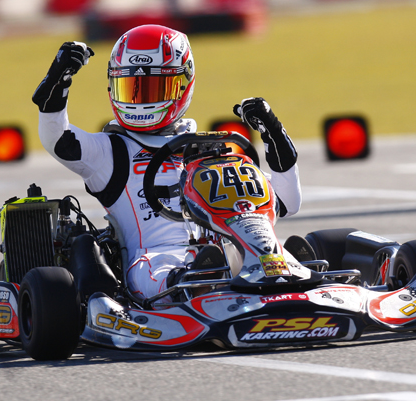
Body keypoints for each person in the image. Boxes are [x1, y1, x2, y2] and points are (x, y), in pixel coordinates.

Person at [33, 24, 301, 302]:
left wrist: (273, 132)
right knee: (160, 270)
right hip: (155, 256)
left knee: (266, 251)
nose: (140, 101)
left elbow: (286, 202)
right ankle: (195, 284)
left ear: (183, 84)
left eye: (155, 88)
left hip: (225, 251)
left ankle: (285, 273)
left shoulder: (207, 149)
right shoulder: (110, 150)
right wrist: (58, 81)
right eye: (131, 89)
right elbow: (57, 139)